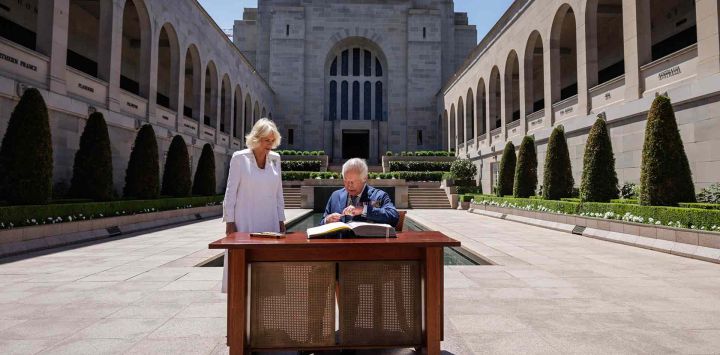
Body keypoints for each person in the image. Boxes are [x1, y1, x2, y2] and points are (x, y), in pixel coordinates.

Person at [222, 118, 285, 293]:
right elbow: (230, 191)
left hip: (269, 222)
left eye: (273, 141)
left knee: (267, 273)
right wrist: (229, 221)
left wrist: (281, 220)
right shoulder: (240, 158)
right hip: (245, 221)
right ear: (256, 138)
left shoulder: (275, 159)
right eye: (267, 140)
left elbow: (278, 192)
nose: (270, 144)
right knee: (242, 273)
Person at [322, 158, 399, 227]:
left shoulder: (379, 196)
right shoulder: (335, 196)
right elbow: (321, 223)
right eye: (346, 180)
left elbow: (394, 217)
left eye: (353, 181)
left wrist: (364, 210)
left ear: (364, 178)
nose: (349, 185)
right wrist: (326, 221)